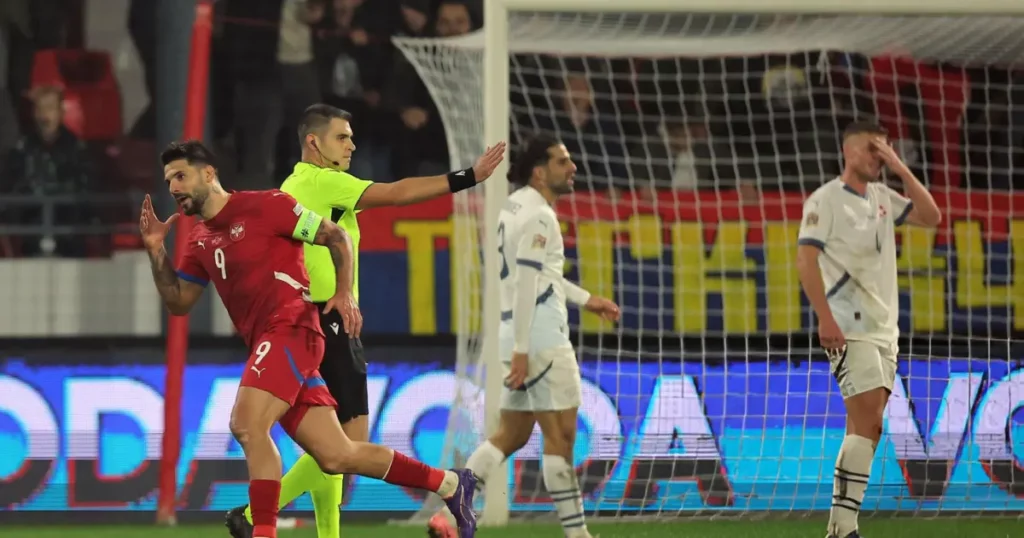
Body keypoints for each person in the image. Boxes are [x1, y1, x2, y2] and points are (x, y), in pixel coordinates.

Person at [140, 140, 479, 538]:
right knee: (337, 455)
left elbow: (336, 236)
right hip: (271, 342)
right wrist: (156, 252)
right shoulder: (200, 239)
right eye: (168, 181)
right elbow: (179, 301)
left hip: (292, 329)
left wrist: (342, 291)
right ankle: (451, 484)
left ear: (209, 174)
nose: (174, 187)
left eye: (180, 176)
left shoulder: (268, 205)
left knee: (247, 424)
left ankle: (263, 531)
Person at [224, 104, 505, 538]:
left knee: (335, 452)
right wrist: (467, 177)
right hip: (327, 321)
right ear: (314, 143)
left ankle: (301, 526)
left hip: (299, 323)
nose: (352, 144)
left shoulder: (291, 185)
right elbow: (396, 194)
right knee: (346, 448)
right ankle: (255, 513)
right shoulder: (325, 181)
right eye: (342, 137)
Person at [428, 136, 620, 538]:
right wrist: (522, 351)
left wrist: (586, 300)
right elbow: (531, 281)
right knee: (561, 437)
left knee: (511, 434)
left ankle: (449, 517)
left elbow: (538, 275)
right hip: (539, 339)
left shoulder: (512, 207)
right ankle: (578, 536)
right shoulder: (540, 217)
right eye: (562, 161)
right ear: (540, 170)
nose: (572, 168)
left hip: (512, 333)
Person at [795, 121, 941, 538]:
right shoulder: (825, 200)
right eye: (871, 149)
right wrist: (824, 316)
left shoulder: (882, 197)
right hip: (847, 324)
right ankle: (844, 529)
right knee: (870, 422)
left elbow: (932, 217)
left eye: (884, 150)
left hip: (884, 329)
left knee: (864, 430)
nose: (878, 156)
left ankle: (840, 528)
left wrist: (899, 166)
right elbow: (806, 260)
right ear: (849, 152)